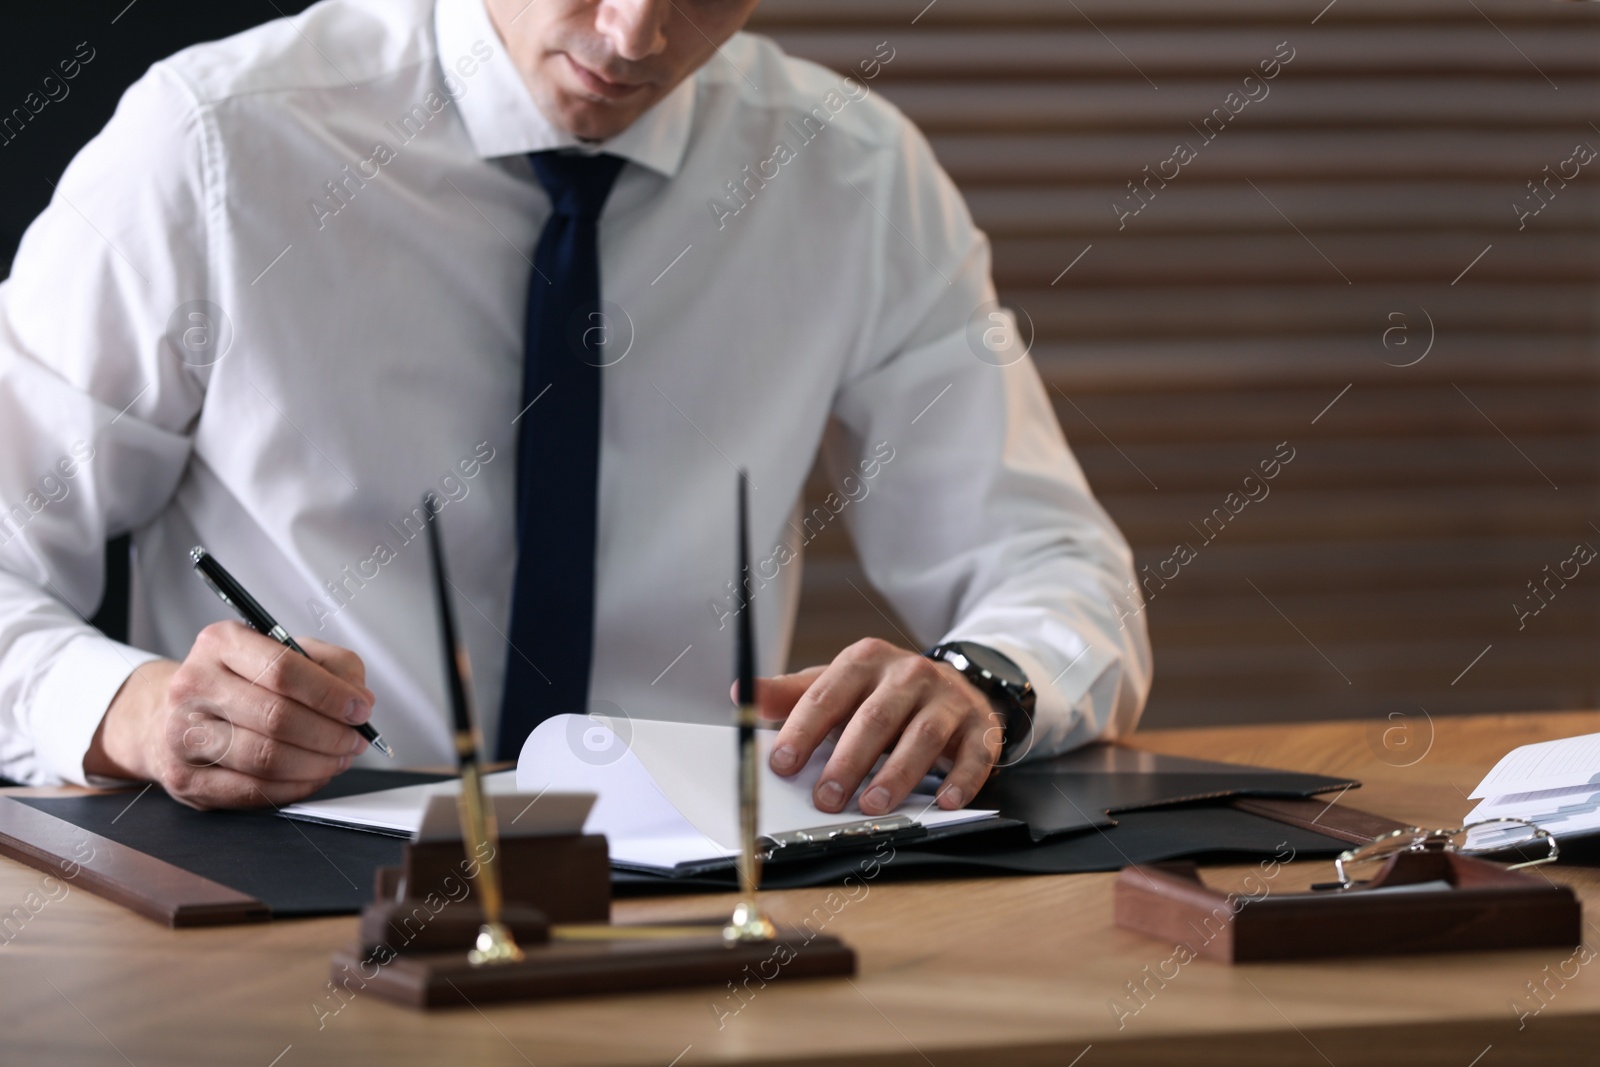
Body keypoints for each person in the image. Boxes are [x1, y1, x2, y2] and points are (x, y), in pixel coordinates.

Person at [0, 0, 1150, 813]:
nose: (634, 34)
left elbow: (1049, 561)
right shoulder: (211, 145)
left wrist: (980, 680)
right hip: (274, 895)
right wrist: (135, 710)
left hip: (691, 900)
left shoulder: (852, 177)